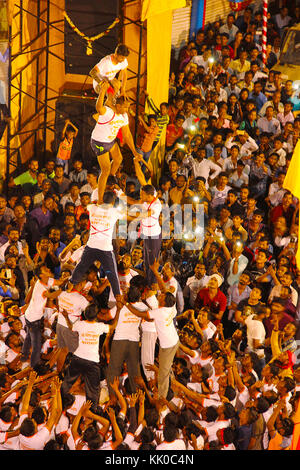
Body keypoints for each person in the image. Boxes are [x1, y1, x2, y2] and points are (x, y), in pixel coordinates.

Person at [60, 303, 118, 409]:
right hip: (92, 362)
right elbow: (113, 326)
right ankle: (91, 413)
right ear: (96, 316)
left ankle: (61, 403)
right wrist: (118, 310)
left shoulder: (80, 324)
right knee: (93, 391)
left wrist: (66, 317)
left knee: (67, 383)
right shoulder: (99, 326)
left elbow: (71, 326)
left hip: (78, 358)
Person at [90, 81, 140, 196]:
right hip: (99, 142)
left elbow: (127, 135)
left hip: (110, 141)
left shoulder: (123, 116)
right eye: (125, 107)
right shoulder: (108, 112)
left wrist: (134, 152)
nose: (127, 110)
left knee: (118, 159)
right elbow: (99, 107)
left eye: (128, 107)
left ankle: (110, 179)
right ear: (118, 106)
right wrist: (102, 91)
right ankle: (100, 198)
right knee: (105, 170)